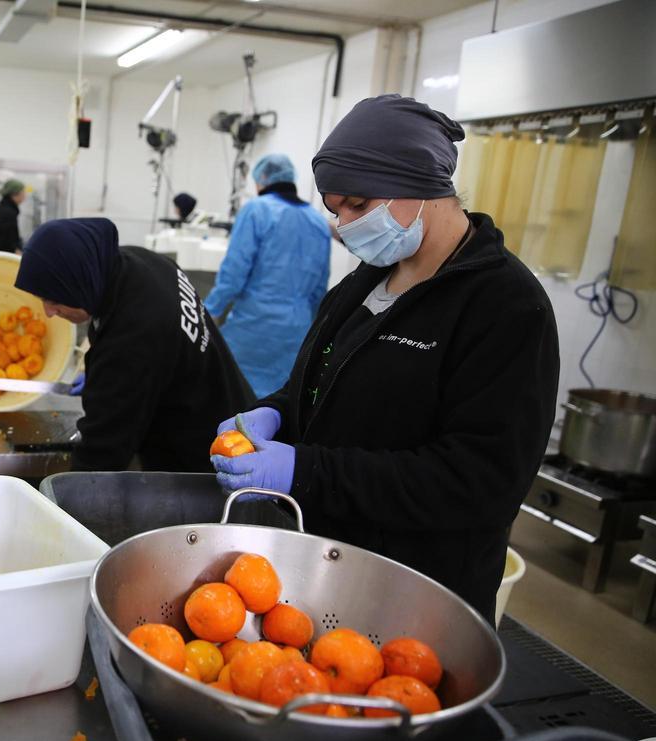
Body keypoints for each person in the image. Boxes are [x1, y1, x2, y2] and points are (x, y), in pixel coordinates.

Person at [212, 95, 559, 623]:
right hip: (326, 568)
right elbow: (319, 380)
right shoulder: (365, 282)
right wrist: (277, 411)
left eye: (358, 204)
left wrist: (306, 470)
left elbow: (478, 482)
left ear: (423, 185)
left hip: (416, 594)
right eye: (334, 209)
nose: (345, 225)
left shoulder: (507, 307)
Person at [15, 218, 255, 472]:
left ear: (80, 281)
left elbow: (102, 455)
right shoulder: (137, 261)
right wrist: (102, 377)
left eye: (54, 299)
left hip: (210, 457)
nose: (49, 312)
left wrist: (59, 500)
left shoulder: (132, 337)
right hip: (233, 404)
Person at [204, 153, 332, 398]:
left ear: (261, 179)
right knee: (275, 403)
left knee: (235, 396)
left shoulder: (256, 210)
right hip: (296, 330)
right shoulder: (317, 221)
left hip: (254, 326)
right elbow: (320, 286)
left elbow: (234, 272)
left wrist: (209, 312)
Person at [0, 178, 26, 254]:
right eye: (23, 193)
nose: (24, 196)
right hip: (3, 258)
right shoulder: (9, 213)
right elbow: (12, 240)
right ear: (14, 194)